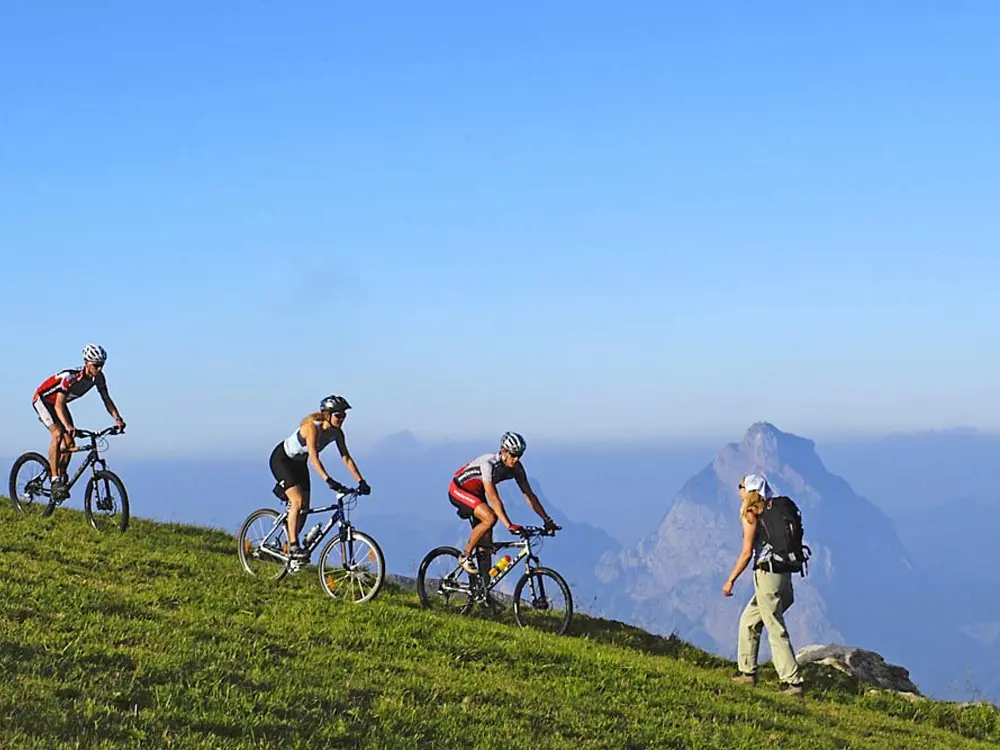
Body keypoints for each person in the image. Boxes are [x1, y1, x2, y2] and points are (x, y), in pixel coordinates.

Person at [722, 473, 805, 696]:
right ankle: (747, 672)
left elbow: (747, 552)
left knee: (775, 627)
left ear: (748, 491)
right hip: (783, 575)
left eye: (740, 486)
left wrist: (730, 580)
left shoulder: (751, 515)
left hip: (767, 576)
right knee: (749, 620)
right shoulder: (773, 509)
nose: (737, 490)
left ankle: (793, 682)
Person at [269, 395, 370, 564]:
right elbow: (314, 458)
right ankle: (294, 545)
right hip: (283, 460)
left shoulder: (337, 433)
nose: (342, 419)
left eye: (344, 415)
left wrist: (361, 481)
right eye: (339, 415)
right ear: (327, 414)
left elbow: (345, 457)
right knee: (297, 501)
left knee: (305, 508)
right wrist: (328, 480)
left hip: (299, 464)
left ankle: (288, 545)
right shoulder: (312, 428)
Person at [448, 431, 559, 574]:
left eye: (520, 455)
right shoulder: (488, 464)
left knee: (486, 544)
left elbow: (529, 495)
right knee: (490, 518)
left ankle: (482, 591)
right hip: (459, 489)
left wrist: (547, 520)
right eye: (513, 455)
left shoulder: (517, 468)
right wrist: (509, 525)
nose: (516, 459)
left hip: (477, 493)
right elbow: (494, 498)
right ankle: (465, 555)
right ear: (503, 452)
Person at [31, 344, 126, 501]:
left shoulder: (99, 378)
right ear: (86, 362)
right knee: (58, 434)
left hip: (58, 405)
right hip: (43, 400)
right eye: (96, 365)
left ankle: (61, 474)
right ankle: (55, 480)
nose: (99, 369)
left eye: (102, 365)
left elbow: (106, 399)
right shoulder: (71, 378)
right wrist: (68, 426)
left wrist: (117, 418)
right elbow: (58, 405)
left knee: (70, 442)